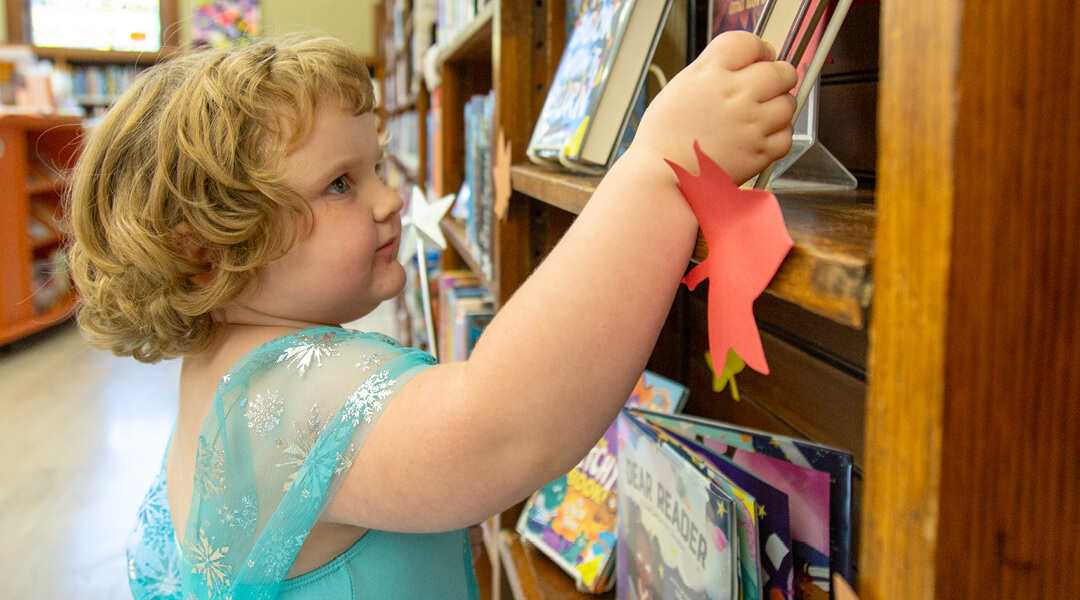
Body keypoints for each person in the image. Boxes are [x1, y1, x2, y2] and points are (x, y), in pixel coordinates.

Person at [66, 31, 796, 600]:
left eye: (377, 166)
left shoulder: (221, 373)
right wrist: (661, 166)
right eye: (341, 185)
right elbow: (501, 429)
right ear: (207, 255)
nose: (388, 200)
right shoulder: (280, 393)